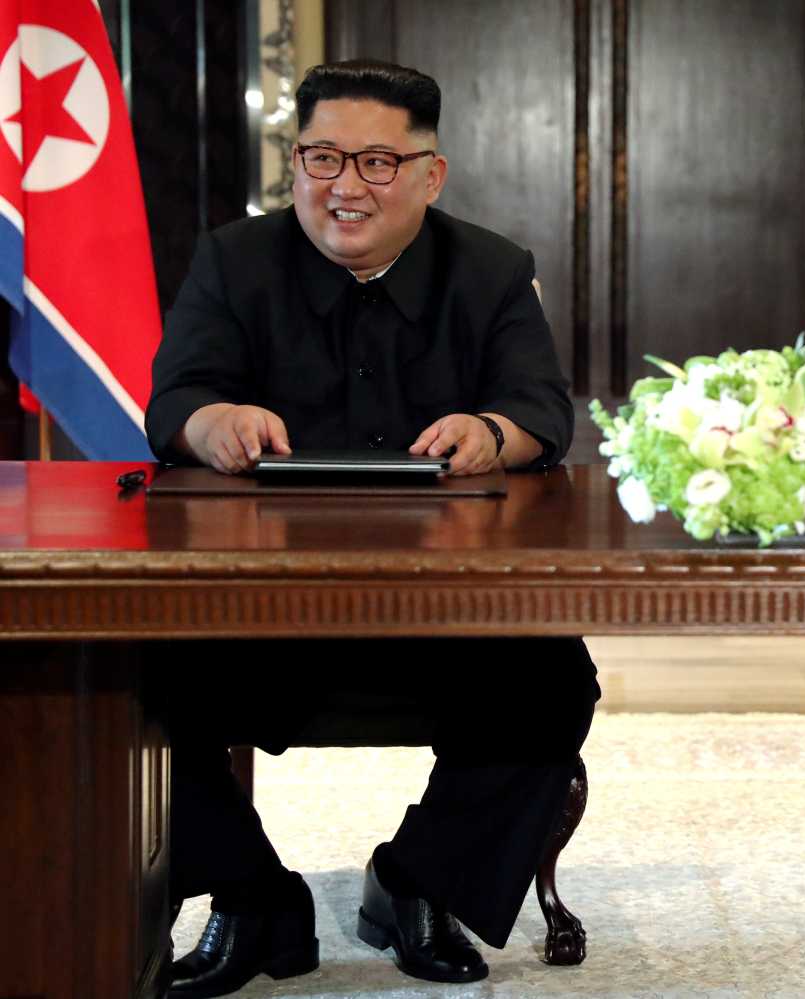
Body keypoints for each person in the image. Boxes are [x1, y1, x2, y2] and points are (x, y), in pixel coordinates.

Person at [145, 60, 599, 996]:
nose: (345, 185)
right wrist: (211, 421)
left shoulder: (492, 269)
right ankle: (252, 894)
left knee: (553, 684)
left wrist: (492, 433)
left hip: (447, 604)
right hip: (257, 601)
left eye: (378, 163)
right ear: (297, 163)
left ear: (431, 175)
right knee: (117, 676)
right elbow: (175, 400)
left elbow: (542, 412)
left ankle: (417, 882)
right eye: (322, 157)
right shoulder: (233, 259)